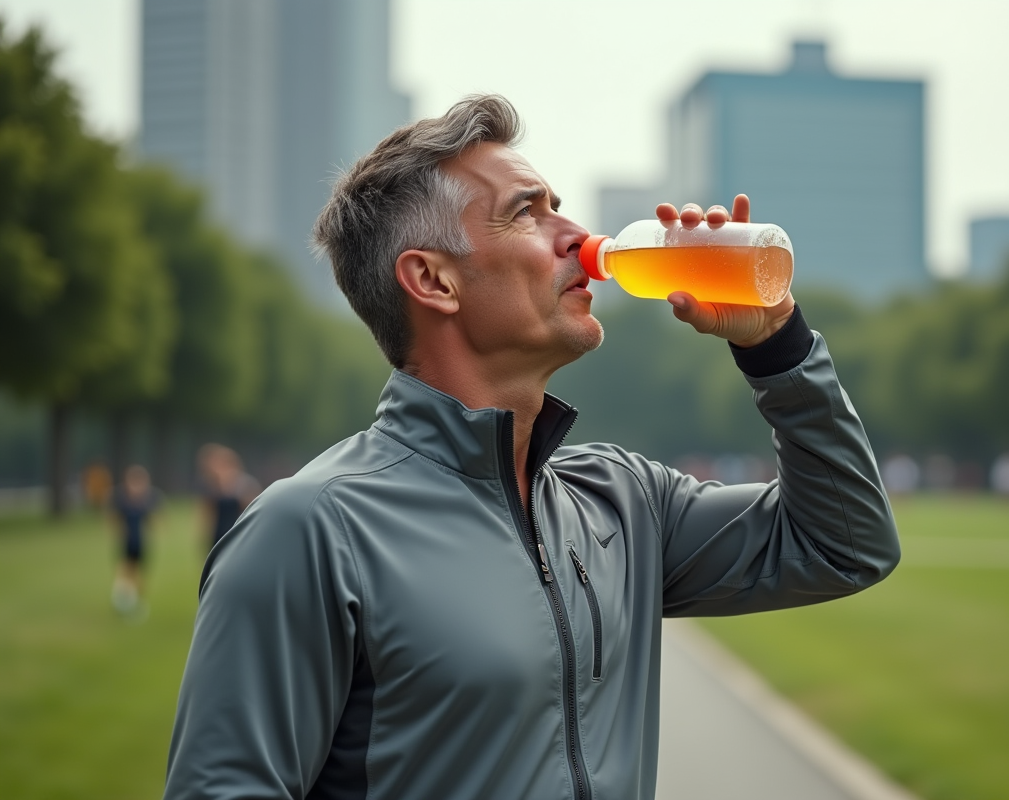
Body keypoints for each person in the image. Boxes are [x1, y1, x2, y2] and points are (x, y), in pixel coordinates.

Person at [164, 95, 901, 800]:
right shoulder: (310, 532)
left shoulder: (626, 503)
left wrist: (777, 346)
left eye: (558, 205)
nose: (577, 237)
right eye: (527, 212)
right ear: (432, 279)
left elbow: (846, 544)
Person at [110, 464, 161, 618]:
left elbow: (155, 518)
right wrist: (119, 532)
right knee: (125, 571)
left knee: (140, 574)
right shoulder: (121, 497)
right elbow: (113, 518)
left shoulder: (148, 498)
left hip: (141, 541)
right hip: (127, 541)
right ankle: (124, 600)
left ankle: (137, 601)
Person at [196, 443, 259, 551]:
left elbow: (252, 506)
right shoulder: (211, 484)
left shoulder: (244, 482)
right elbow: (208, 512)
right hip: (217, 533)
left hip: (237, 530)